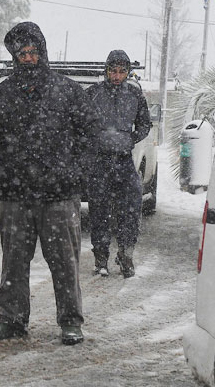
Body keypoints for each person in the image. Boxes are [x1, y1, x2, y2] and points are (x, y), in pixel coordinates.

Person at [0, 21, 100, 346]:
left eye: (32, 52)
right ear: (14, 56)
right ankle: (12, 320)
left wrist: (76, 173)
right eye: (21, 53)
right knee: (13, 264)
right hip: (14, 197)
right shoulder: (1, 96)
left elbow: (91, 136)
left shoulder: (67, 92)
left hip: (59, 196)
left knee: (65, 263)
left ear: (42, 52)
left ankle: (71, 322)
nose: (27, 58)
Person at [84, 50, 152, 279]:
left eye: (122, 71)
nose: (116, 75)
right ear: (106, 71)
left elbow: (145, 124)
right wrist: (93, 140)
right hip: (99, 162)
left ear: (127, 73)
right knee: (99, 211)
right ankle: (101, 258)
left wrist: (129, 139)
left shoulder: (134, 95)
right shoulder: (93, 94)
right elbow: (79, 122)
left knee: (130, 209)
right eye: (113, 71)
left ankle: (125, 254)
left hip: (123, 161)